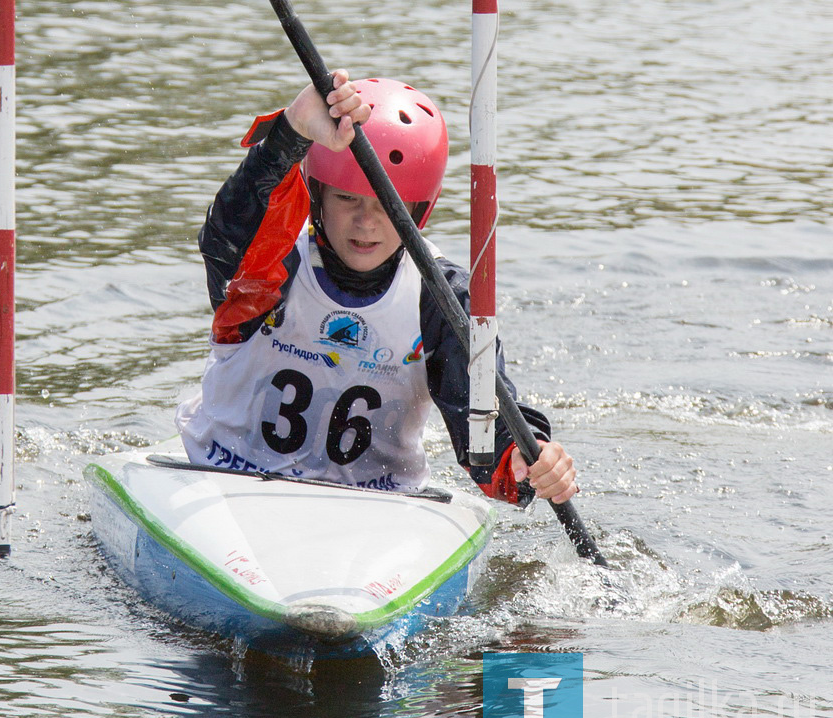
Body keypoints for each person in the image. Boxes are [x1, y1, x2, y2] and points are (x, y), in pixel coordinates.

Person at [175, 70, 578, 506]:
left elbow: (484, 426)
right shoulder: (274, 258)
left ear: (419, 209)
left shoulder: (443, 299)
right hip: (226, 471)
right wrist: (290, 132)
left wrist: (525, 457)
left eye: (387, 205)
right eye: (347, 198)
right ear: (318, 193)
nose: (366, 223)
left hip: (377, 504)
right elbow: (227, 239)